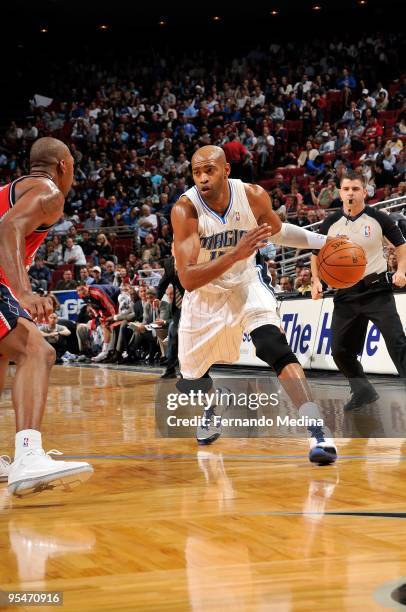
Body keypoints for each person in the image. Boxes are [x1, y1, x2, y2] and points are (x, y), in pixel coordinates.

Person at [171, 145, 337, 465]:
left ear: (226, 170)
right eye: (196, 172)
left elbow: (277, 232)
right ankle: (212, 402)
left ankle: (318, 432)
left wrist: (322, 241)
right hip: (204, 294)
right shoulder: (185, 210)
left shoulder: (252, 196)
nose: (203, 178)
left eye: (210, 171)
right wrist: (234, 253)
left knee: (273, 345)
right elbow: (188, 280)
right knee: (190, 379)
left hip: (246, 282)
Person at [0, 136, 92, 496]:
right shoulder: (51, 192)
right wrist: (22, 290)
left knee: (5, 353)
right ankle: (29, 457)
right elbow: (8, 229)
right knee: (39, 352)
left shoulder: (12, 189)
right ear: (64, 166)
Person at [311, 170, 406, 409]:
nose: (350, 193)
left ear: (365, 191)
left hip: (377, 291)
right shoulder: (330, 223)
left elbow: (401, 245)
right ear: (340, 193)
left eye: (355, 189)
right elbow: (315, 253)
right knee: (340, 351)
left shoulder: (378, 218)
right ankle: (362, 391)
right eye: (346, 189)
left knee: (397, 343)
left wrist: (401, 270)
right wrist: (315, 280)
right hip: (345, 295)